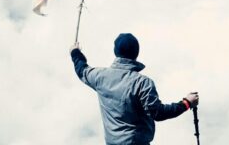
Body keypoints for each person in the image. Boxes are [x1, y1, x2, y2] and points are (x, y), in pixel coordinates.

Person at [70, 33, 199, 145]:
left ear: (116, 52)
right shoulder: (143, 83)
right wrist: (187, 103)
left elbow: (82, 70)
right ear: (136, 53)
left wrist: (75, 52)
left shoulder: (100, 77)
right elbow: (158, 113)